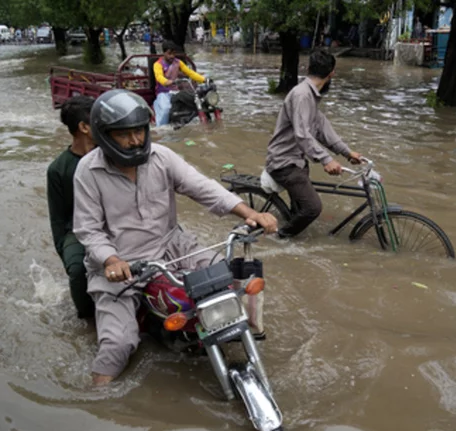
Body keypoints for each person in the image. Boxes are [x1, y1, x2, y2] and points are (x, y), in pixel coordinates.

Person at [73, 90, 277, 386]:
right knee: (117, 345)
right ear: (104, 135)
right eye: (124, 135)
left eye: (139, 132)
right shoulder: (87, 171)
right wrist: (112, 260)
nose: (135, 141)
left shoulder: (162, 157)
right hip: (121, 266)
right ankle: (96, 401)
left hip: (172, 247)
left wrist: (248, 212)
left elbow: (203, 188)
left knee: (230, 284)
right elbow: (88, 231)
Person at [265, 50, 362, 238]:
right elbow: (302, 135)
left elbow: (324, 130)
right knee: (313, 208)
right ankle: (279, 237)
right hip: (284, 162)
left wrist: (347, 152)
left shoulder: (310, 96)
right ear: (332, 73)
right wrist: (326, 160)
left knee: (299, 210)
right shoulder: (302, 95)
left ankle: (292, 234)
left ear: (309, 68)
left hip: (298, 161)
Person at [47, 96, 98, 320]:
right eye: (98, 120)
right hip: (76, 230)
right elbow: (58, 219)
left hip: (114, 222)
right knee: (78, 270)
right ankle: (87, 319)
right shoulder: (58, 169)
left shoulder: (110, 156)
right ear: (84, 127)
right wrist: (66, 253)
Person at [153, 40, 206, 126]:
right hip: (163, 92)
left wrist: (204, 80)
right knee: (166, 109)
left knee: (194, 103)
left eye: (174, 53)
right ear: (164, 52)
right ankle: (161, 129)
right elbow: (159, 77)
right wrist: (167, 82)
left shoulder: (178, 62)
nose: (172, 56)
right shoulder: (157, 64)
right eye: (169, 53)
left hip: (176, 92)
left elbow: (190, 73)